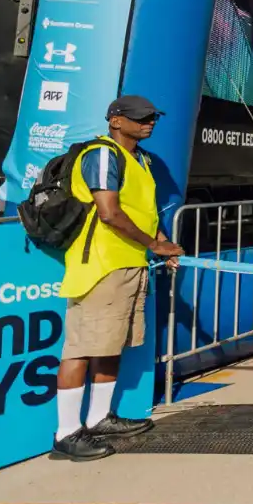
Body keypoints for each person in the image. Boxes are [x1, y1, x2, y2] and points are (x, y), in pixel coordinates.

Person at [49, 95, 182, 460]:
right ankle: (66, 432)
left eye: (153, 117)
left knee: (110, 345)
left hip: (129, 263)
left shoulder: (140, 158)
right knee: (82, 348)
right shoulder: (103, 154)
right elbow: (109, 212)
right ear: (115, 121)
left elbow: (140, 211)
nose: (149, 122)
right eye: (141, 118)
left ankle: (98, 417)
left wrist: (159, 243)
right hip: (102, 265)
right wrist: (155, 245)